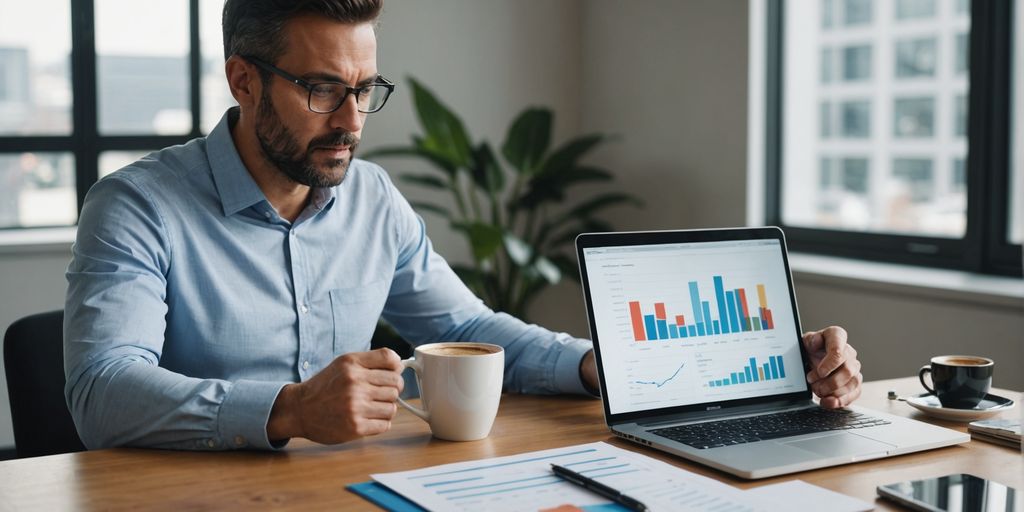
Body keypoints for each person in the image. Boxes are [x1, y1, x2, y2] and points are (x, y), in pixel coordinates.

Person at [63, 0, 863, 451]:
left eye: (365, 89)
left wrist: (607, 365)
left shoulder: (371, 200)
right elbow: (103, 391)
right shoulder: (136, 207)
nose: (351, 121)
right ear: (243, 80)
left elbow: (469, 328)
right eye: (319, 90)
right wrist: (289, 409)